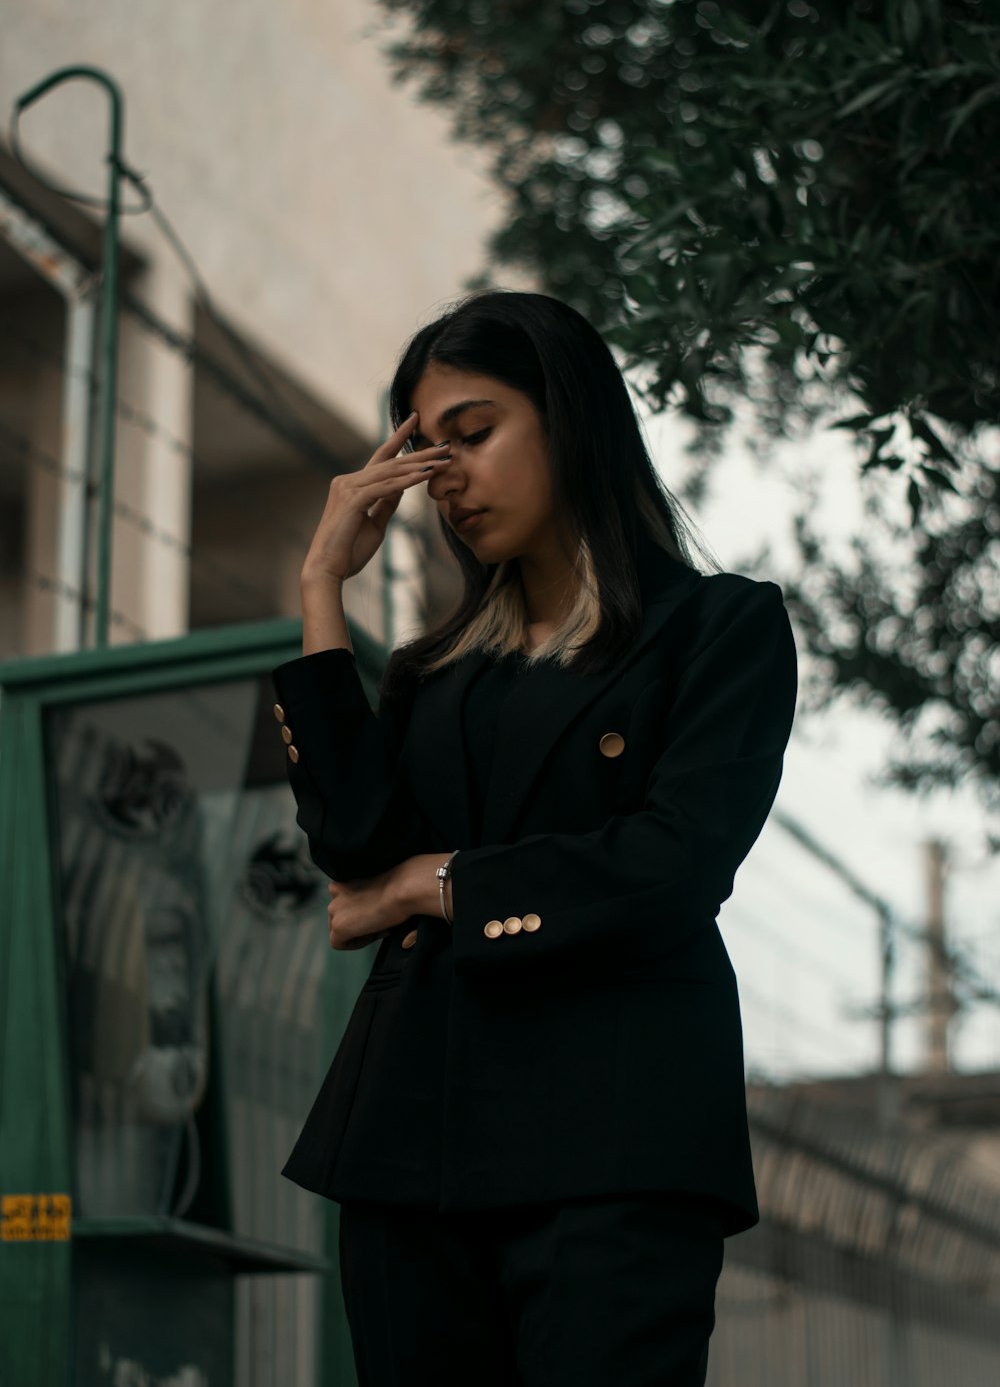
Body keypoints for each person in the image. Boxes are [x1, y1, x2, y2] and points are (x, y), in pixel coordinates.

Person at [270, 290, 798, 1386]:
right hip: (410, 1142)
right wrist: (322, 586)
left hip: (616, 1138)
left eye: (473, 432)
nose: (445, 475)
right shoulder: (433, 673)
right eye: (424, 450)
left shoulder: (717, 630)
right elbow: (356, 848)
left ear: (572, 417)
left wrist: (439, 885)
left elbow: (677, 862)